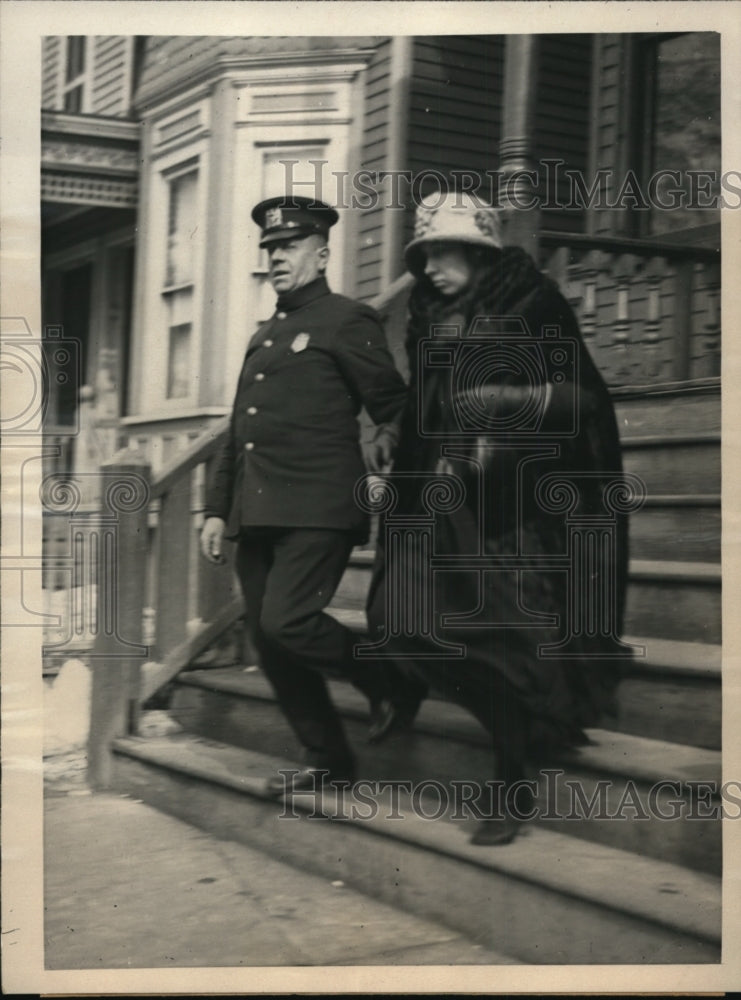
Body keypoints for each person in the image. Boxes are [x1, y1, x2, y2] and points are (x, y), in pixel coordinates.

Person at [366, 192, 629, 844]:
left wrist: (504, 404)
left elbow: (582, 402)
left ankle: (512, 777)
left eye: (440, 251)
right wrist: (398, 427)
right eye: (421, 253)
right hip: (440, 498)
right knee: (401, 619)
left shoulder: (532, 303)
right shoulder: (427, 316)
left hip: (515, 511)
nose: (427, 266)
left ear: (480, 252)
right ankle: (418, 689)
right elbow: (431, 397)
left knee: (502, 648)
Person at [201, 195, 423, 795]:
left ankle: (390, 680)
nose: (276, 256)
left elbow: (394, 405)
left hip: (321, 505)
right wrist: (217, 508)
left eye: (289, 246)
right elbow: (238, 428)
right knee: (271, 644)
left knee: (287, 621)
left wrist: (386, 455)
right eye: (270, 248)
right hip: (258, 509)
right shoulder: (264, 336)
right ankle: (329, 759)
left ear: (322, 253)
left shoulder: (347, 319)